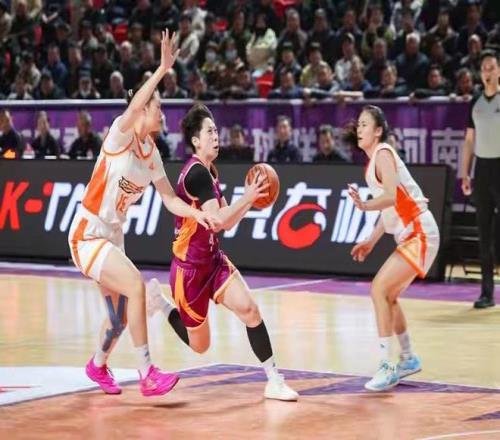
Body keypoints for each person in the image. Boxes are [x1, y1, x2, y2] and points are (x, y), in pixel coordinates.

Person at [67, 30, 217, 398]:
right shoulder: (119, 135)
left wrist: (196, 214)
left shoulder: (151, 153)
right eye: (158, 107)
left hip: (112, 235)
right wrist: (163, 69)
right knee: (136, 286)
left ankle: (97, 365)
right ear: (144, 108)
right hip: (88, 233)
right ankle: (147, 373)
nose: (162, 114)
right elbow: (134, 106)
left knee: (119, 317)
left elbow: (168, 198)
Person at [147, 103, 298, 401]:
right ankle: (161, 304)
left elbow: (226, 220)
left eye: (216, 131)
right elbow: (218, 221)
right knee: (200, 346)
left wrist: (249, 201)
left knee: (250, 310)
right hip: (189, 272)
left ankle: (274, 380)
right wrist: (248, 198)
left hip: (213, 262)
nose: (216, 136)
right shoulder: (196, 174)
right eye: (209, 132)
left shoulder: (210, 171)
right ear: (195, 140)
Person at [345, 105, 440, 391]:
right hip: (413, 233)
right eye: (358, 124)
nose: (359, 129)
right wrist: (371, 241)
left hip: (420, 231)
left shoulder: (383, 153)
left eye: (365, 124)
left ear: (378, 131)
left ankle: (387, 367)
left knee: (378, 289)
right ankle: (408, 358)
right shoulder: (373, 162)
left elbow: (389, 197)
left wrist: (364, 205)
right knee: (389, 296)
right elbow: (389, 211)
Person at [461, 50, 500, 309]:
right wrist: (465, 172)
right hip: (483, 170)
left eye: (491, 67)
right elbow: (468, 141)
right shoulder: (475, 103)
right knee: (483, 234)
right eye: (484, 68)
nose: (487, 72)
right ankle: (487, 294)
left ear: (499, 70)